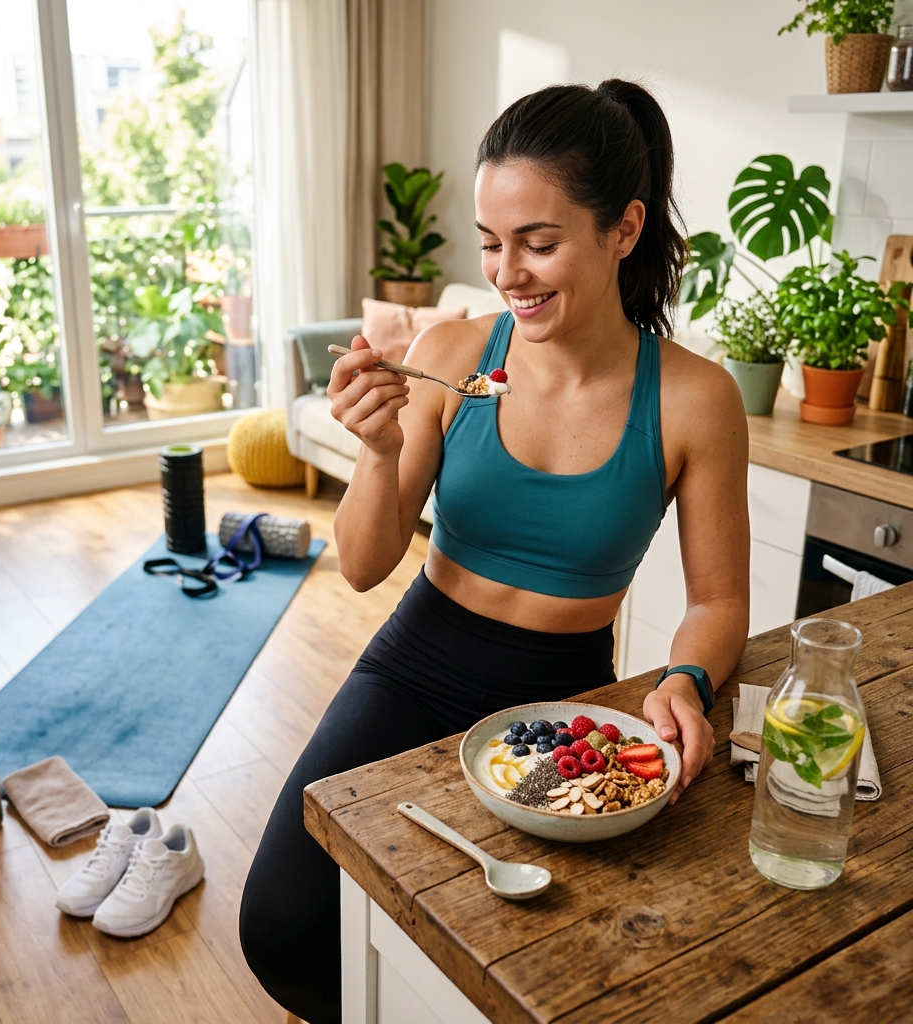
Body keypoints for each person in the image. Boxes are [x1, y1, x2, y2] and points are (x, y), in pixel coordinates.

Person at [240, 80, 750, 1024]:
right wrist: (381, 449)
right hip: (415, 661)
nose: (507, 272)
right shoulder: (455, 353)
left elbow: (718, 600)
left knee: (522, 958)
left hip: (561, 696)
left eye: (540, 241)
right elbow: (360, 564)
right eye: (490, 242)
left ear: (624, 228)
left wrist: (686, 681)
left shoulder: (693, 398)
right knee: (279, 926)